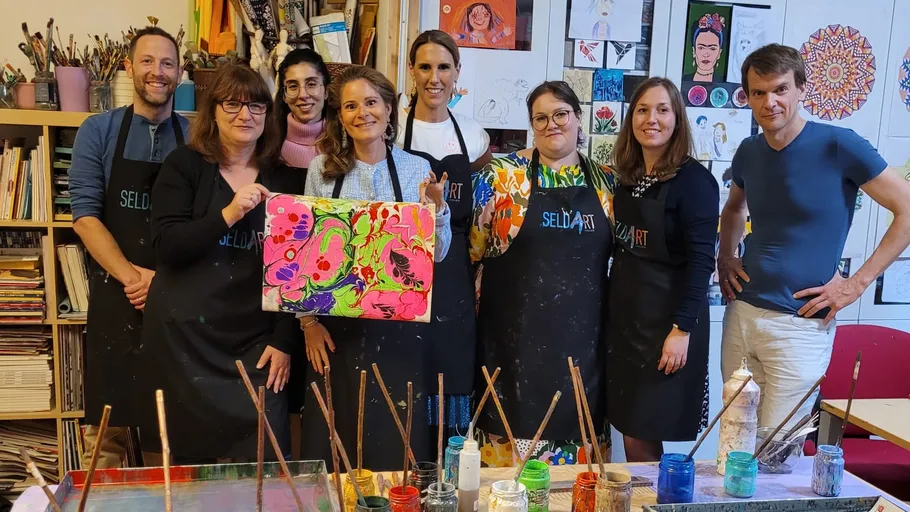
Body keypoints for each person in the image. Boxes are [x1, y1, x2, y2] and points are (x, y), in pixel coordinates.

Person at [719, 44, 910, 430]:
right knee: (734, 442)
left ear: (802, 89)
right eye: (759, 92)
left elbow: (907, 209)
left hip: (800, 325)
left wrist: (856, 285)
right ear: (749, 97)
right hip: (742, 314)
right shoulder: (749, 151)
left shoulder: (839, 145)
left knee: (777, 451)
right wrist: (725, 255)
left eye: (780, 89)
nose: (770, 102)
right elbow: (735, 208)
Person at [141, 65, 301, 462]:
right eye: (232, 104)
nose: (245, 115)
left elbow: (297, 270)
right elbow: (168, 247)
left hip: (257, 343)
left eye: (256, 106)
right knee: (187, 470)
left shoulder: (287, 180)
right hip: (185, 345)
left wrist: (283, 340)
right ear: (213, 110)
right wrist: (228, 213)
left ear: (268, 116)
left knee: (265, 461)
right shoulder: (184, 165)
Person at [298, 65, 451, 469]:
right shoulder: (321, 169)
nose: (361, 113)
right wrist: (308, 324)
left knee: (393, 446)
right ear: (340, 116)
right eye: (350, 106)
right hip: (335, 331)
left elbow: (437, 254)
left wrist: (437, 208)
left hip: (400, 331)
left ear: (388, 109)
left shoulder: (418, 168)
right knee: (333, 444)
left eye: (370, 102)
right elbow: (306, 252)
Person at [471, 81, 614, 467]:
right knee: (505, 493)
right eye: (541, 118)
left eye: (561, 114)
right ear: (532, 125)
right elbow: (472, 251)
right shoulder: (501, 177)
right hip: (510, 350)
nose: (552, 124)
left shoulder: (606, 182)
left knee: (576, 491)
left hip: (583, 351)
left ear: (578, 118)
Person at [69, 26, 188, 469]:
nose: (157, 72)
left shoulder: (195, 139)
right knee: (107, 433)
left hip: (174, 301)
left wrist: (163, 283)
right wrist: (133, 277)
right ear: (128, 68)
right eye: (147, 61)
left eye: (167, 63)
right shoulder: (97, 131)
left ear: (179, 73)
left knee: (170, 432)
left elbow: (199, 224)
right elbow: (84, 216)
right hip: (115, 296)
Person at [606, 77, 718, 462]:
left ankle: (655, 502)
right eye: (642, 110)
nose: (651, 119)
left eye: (662, 110)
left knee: (644, 425)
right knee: (629, 426)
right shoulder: (627, 178)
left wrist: (681, 329)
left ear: (677, 119)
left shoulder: (696, 183)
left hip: (667, 325)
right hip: (627, 324)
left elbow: (703, 262)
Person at [397, 30, 492, 440]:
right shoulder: (391, 131)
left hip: (454, 274)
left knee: (450, 372)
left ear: (457, 73)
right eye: (425, 67)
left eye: (443, 67)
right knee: (405, 374)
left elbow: (483, 216)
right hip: (402, 271)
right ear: (411, 72)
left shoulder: (474, 137)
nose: (434, 78)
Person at [276, 48, 330, 172]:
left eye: (311, 84)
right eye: (293, 86)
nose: (303, 95)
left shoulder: (346, 145)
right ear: (284, 95)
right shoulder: (268, 147)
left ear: (326, 91)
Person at [683, 13, 725, 83]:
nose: (706, 54)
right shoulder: (683, 81)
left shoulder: (723, 83)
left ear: (719, 53)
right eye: (701, 48)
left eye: (712, 48)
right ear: (694, 51)